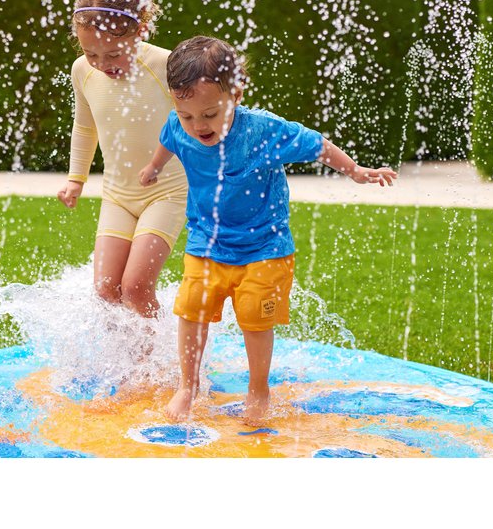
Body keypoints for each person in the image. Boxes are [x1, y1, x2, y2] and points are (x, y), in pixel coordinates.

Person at [139, 35, 397, 424]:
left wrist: (355, 170)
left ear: (236, 94)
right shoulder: (179, 125)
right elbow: (168, 139)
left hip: (265, 247)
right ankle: (187, 386)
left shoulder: (264, 131)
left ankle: (258, 390)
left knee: (254, 319)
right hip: (206, 242)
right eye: (187, 115)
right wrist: (154, 167)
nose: (198, 126)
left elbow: (316, 144)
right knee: (191, 311)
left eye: (209, 114)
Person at [57, 0, 188, 319]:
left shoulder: (166, 65)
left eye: (113, 54)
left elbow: (198, 119)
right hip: (117, 195)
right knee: (105, 290)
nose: (102, 64)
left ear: (140, 30)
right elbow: (85, 126)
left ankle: (158, 353)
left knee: (135, 287)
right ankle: (125, 354)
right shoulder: (81, 72)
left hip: (167, 192)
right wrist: (76, 179)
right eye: (91, 54)